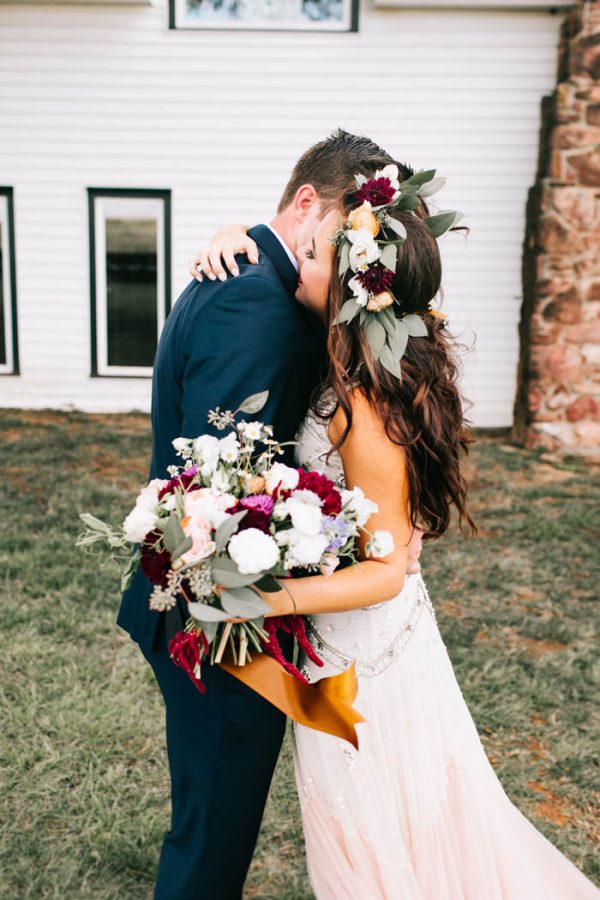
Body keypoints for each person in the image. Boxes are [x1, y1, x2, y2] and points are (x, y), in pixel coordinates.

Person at [194, 163, 599, 898]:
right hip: (347, 648)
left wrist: (263, 599)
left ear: (353, 291)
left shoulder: (366, 405)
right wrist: (235, 237)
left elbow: (388, 571)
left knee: (383, 845)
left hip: (369, 669)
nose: (300, 263)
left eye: (313, 256)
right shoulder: (349, 363)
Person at [117, 130, 423, 900]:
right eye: (343, 244)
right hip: (220, 621)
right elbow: (212, 489)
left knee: (211, 824)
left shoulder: (260, 275)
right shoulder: (255, 300)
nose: (358, 267)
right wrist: (247, 595)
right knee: (212, 839)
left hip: (242, 609)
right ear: (307, 203)